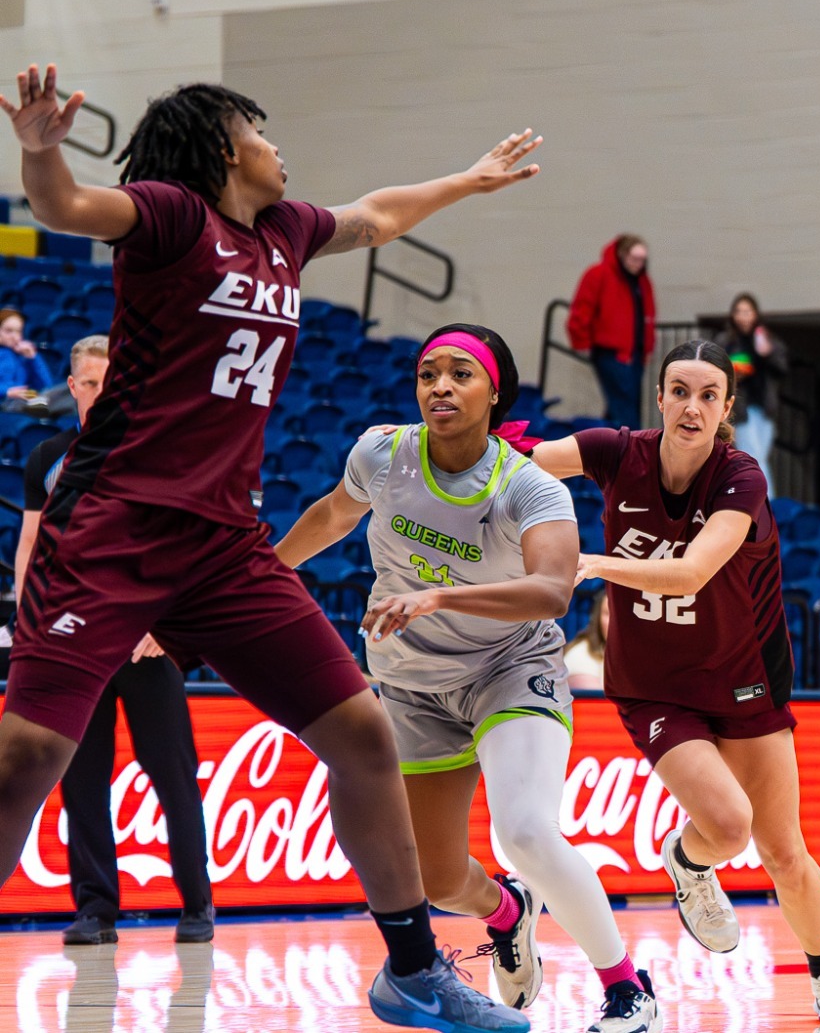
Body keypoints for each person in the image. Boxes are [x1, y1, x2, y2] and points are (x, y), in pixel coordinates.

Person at [0, 64, 541, 1033]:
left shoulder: (287, 231)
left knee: (363, 735)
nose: (277, 143)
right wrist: (41, 152)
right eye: (261, 128)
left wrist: (469, 180)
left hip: (224, 544)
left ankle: (414, 973)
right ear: (223, 147)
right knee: (28, 754)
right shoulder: (171, 215)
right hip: (114, 528)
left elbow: (375, 215)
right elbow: (69, 206)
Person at [278, 324, 658, 1033]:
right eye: (428, 374)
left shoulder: (529, 488)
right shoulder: (381, 453)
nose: (440, 387)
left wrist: (439, 597)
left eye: (460, 374)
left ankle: (627, 986)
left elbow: (551, 591)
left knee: (525, 832)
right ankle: (508, 913)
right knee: (438, 880)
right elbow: (332, 514)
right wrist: (261, 574)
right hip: (413, 684)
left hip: (509, 669)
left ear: (494, 392)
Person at [530, 339, 820, 1025]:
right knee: (730, 825)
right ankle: (691, 858)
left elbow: (690, 573)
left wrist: (592, 561)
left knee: (784, 849)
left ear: (726, 408)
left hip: (745, 676)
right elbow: (522, 460)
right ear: (659, 398)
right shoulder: (617, 453)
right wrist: (443, 445)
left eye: (709, 395)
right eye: (680, 391)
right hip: (654, 684)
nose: (692, 406)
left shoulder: (741, 477)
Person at [17, 335, 214, 945]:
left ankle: (198, 905)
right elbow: (30, 549)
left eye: (113, 383)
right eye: (91, 384)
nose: (103, 394)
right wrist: (35, 623)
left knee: (173, 774)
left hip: (144, 641)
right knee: (82, 779)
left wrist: (165, 625)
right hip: (76, 644)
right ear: (72, 387)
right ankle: (95, 911)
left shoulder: (155, 453)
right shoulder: (47, 457)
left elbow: (182, 547)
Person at [566, 235, 655, 428]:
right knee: (624, 405)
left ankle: (613, 440)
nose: (638, 264)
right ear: (622, 255)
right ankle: (632, 442)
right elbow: (582, 310)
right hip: (611, 351)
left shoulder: (641, 281)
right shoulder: (599, 275)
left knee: (623, 403)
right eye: (634, 259)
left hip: (635, 352)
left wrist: (647, 348)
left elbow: (647, 315)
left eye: (642, 260)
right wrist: (581, 342)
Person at [714, 293, 788, 482]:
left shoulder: (766, 338)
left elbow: (782, 368)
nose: (743, 317)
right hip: (740, 407)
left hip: (764, 406)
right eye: (739, 312)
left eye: (747, 312)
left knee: (760, 457)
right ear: (733, 315)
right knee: (752, 456)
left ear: (755, 314)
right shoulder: (726, 341)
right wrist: (735, 371)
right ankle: (763, 497)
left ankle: (761, 497)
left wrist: (767, 353)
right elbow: (716, 371)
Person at [0, 307, 55, 413]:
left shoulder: (23, 358)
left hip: (24, 401)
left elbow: (47, 386)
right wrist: (7, 392)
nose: (15, 336)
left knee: (65, 394)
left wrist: (33, 358)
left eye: (18, 331)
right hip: (5, 403)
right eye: (8, 331)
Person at [563, 590, 609, 692]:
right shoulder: (579, 655)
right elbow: (596, 701)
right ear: (597, 618)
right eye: (608, 613)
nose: (616, 622)